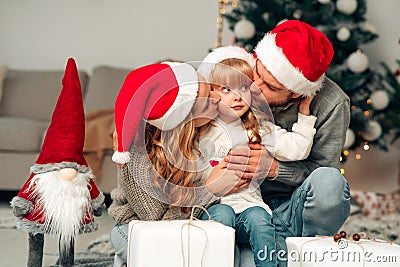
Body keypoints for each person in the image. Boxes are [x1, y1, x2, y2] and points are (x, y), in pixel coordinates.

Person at [216, 20, 351, 266]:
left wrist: (274, 169)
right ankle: (261, 246)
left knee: (330, 183)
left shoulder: (332, 104)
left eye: (271, 87)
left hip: (292, 211)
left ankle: (299, 247)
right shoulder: (240, 72)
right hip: (238, 205)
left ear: (297, 93)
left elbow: (322, 171)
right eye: (258, 72)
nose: (254, 87)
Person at [108, 61, 231, 267]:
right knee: (158, 252)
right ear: (185, 121)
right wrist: (209, 188)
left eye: (210, 89)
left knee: (220, 222)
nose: (217, 97)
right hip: (138, 225)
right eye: (208, 102)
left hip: (182, 221)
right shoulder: (136, 158)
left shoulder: (198, 136)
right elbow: (158, 223)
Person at [197, 57, 317, 267]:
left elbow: (296, 148)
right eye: (227, 89)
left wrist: (304, 114)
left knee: (260, 218)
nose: (237, 97)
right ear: (213, 94)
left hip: (248, 207)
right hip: (214, 207)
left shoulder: (259, 128)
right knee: (222, 215)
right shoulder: (203, 128)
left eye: (244, 87)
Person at [10, 58, 105, 267]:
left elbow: (92, 190)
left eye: (71, 165)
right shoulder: (42, 177)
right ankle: (34, 263)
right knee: (36, 236)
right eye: (61, 165)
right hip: (41, 214)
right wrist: (21, 204)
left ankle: (66, 263)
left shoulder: (81, 177)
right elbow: (27, 191)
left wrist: (96, 204)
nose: (68, 171)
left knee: (67, 235)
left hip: (69, 216)